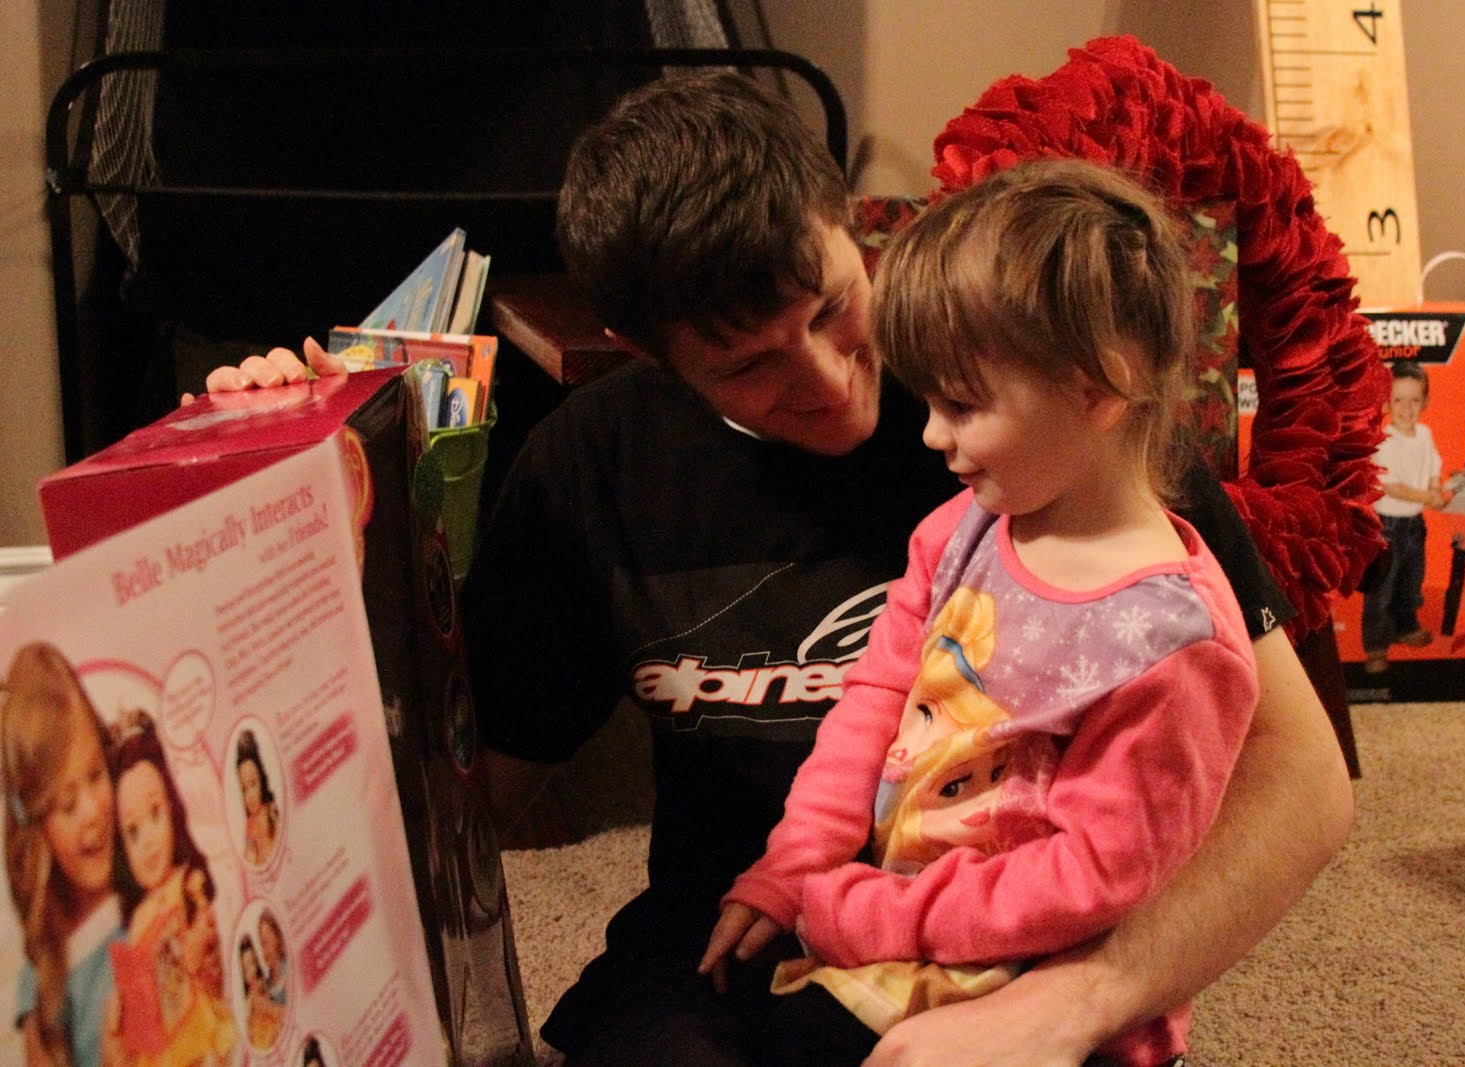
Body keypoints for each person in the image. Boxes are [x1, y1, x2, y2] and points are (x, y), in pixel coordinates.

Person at [200, 69, 1353, 1066]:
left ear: (847, 221)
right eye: (749, 366)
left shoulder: (1054, 404)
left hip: (1031, 941)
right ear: (647, 355)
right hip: (737, 928)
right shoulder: (592, 466)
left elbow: (1304, 780)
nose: (829, 380)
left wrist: (1082, 997)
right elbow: (456, 804)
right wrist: (312, 525)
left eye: (835, 307)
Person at [698, 158, 1259, 1066]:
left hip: (1036, 984)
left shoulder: (1174, 642)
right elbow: (873, 703)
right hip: (908, 926)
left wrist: (876, 915)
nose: (930, 434)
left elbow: (1093, 875)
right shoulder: (961, 529)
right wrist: (795, 866)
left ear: (1097, 387)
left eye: (961, 404)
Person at [2, 642, 128, 1067]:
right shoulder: (47, 980)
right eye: (67, 803)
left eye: (96, 774)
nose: (93, 812)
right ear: (37, 830)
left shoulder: (145, 884)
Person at [106, 710, 237, 1066]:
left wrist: (199, 941)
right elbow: (137, 991)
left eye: (155, 814)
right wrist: (122, 1007)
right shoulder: (137, 919)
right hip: (157, 1048)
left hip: (196, 1027)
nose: (148, 841)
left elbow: (208, 933)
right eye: (133, 832)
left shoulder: (186, 884)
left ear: (172, 810)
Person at [1362, 359, 1446, 674]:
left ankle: (1406, 626)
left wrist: (1435, 486)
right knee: (1381, 589)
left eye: (1414, 400)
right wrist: (1427, 497)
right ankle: (1375, 646)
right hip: (1388, 526)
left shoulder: (1425, 434)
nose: (1406, 408)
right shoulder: (1384, 441)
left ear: (1425, 403)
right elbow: (1391, 486)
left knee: (1411, 582)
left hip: (1414, 524)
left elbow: (1434, 465)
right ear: (1386, 402)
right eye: (1398, 400)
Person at [233, 731, 280, 867]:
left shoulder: (271, 810)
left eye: (253, 784)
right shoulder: (250, 824)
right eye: (244, 789)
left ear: (262, 781)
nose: (249, 795)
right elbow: (249, 853)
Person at [237, 936, 284, 1051]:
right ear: (243, 976)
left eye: (254, 962)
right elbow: (278, 1013)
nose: (253, 971)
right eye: (247, 969)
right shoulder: (253, 998)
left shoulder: (266, 985)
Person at [256, 910, 289, 1008]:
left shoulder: (290, 971)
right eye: (260, 945)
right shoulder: (266, 983)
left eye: (264, 943)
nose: (262, 953)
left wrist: (266, 1006)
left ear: (277, 939)